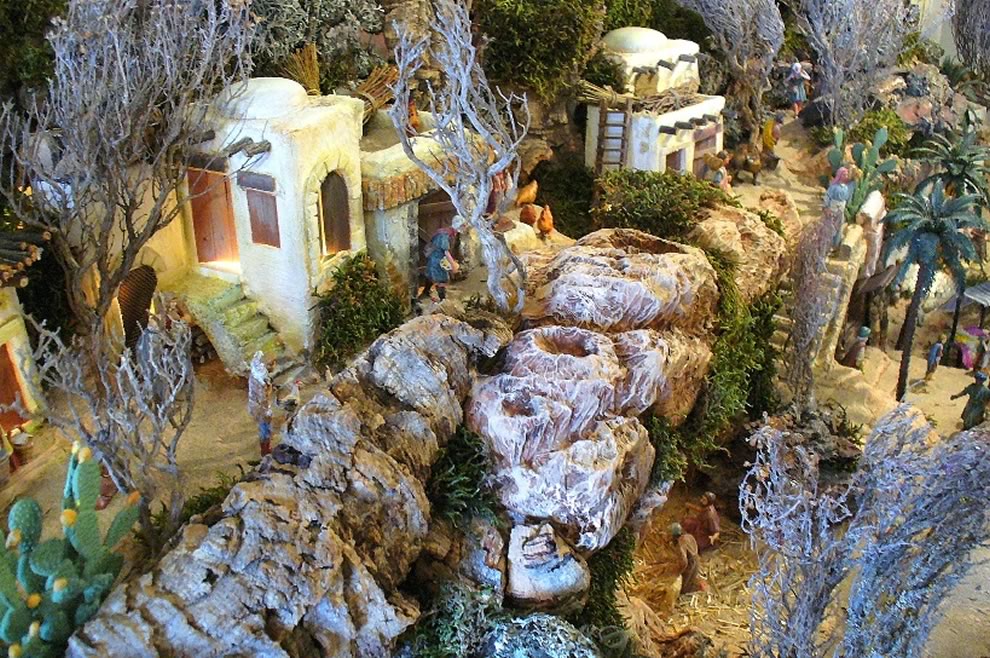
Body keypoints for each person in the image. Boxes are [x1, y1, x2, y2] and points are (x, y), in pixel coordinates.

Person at [421, 227, 459, 302]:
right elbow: (446, 252)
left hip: (432, 258)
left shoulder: (440, 233)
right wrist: (453, 264)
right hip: (438, 261)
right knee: (441, 280)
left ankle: (426, 291)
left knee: (430, 276)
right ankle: (443, 300)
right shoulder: (443, 237)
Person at [248, 351, 275, 456]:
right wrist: (269, 390)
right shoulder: (262, 382)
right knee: (265, 430)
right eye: (273, 364)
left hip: (255, 405)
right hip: (261, 409)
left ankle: (265, 448)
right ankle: (265, 450)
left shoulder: (256, 374)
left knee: (264, 428)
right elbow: (263, 398)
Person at [669, 522, 706, 594]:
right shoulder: (689, 536)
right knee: (691, 579)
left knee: (684, 587)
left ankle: (696, 589)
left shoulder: (681, 542)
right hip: (696, 560)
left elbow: (684, 561)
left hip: (691, 563)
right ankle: (697, 587)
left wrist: (680, 571)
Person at [824, 167, 854, 249]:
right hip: (833, 208)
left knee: (839, 226)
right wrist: (826, 207)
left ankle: (836, 244)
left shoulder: (847, 187)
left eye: (847, 175)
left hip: (841, 209)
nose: (846, 176)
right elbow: (828, 196)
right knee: (830, 226)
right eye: (844, 175)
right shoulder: (834, 186)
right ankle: (827, 244)